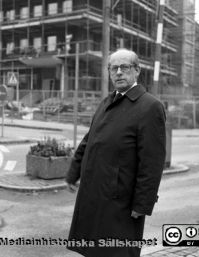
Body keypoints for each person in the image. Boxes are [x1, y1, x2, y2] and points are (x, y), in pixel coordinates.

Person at [66, 48, 166, 257]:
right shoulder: (106, 102)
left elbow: (152, 162)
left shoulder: (150, 107)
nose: (119, 72)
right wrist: (73, 173)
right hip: (93, 194)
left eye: (125, 67)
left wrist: (142, 204)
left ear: (137, 70)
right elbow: (89, 140)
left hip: (121, 202)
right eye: (114, 68)